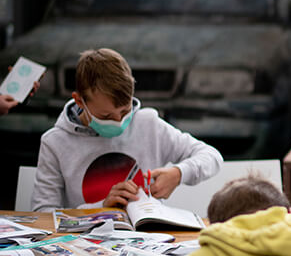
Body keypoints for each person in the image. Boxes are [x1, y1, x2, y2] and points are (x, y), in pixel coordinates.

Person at [31, 48, 222, 211]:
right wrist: (100, 208)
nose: (118, 121)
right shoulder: (55, 142)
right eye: (106, 116)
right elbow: (42, 213)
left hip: (148, 241)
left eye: (125, 111)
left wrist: (179, 173)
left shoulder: (148, 124)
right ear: (80, 101)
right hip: (87, 246)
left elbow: (211, 156)